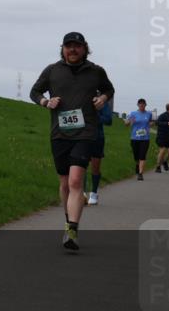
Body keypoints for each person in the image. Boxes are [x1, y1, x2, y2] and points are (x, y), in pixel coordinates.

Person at [30, 32, 114, 251]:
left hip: (85, 132)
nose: (73, 50)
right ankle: (69, 221)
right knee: (65, 182)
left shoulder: (96, 71)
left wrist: (102, 99)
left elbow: (109, 88)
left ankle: (72, 230)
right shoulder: (52, 70)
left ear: (85, 48)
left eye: (77, 46)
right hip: (59, 133)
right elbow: (34, 91)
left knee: (76, 181)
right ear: (63, 49)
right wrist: (45, 102)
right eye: (69, 46)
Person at [87, 99, 114, 205]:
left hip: (96, 137)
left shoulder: (101, 102)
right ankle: (82, 192)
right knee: (79, 165)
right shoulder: (79, 97)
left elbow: (108, 120)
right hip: (80, 135)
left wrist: (94, 117)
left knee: (95, 166)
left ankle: (93, 193)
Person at [125, 98, 154, 182]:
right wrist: (130, 121)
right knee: (136, 155)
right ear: (138, 105)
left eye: (143, 104)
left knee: (142, 155)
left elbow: (152, 122)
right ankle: (137, 164)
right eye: (140, 104)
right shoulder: (133, 113)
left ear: (145, 105)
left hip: (145, 138)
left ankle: (140, 174)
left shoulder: (148, 114)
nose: (142, 105)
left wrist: (151, 123)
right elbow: (126, 124)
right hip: (134, 138)